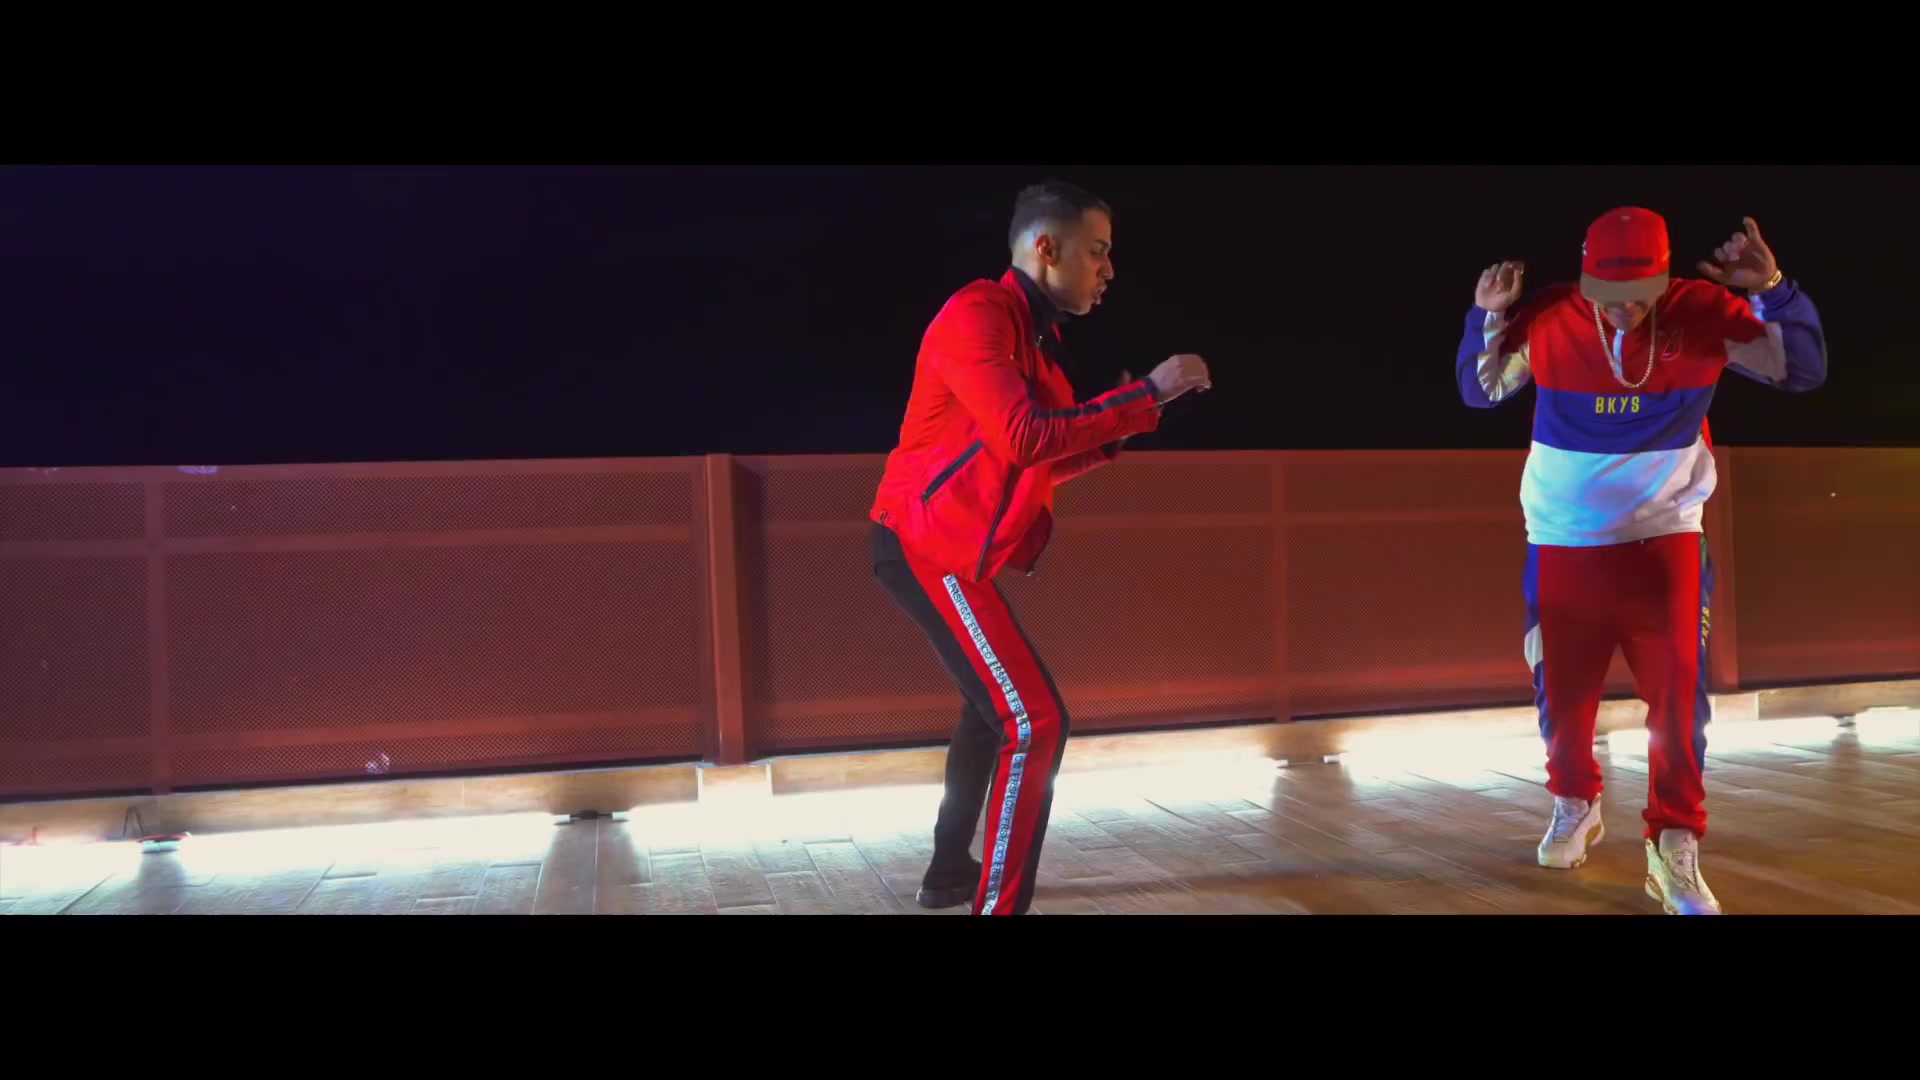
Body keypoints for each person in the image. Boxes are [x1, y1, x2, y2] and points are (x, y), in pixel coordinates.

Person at [1457, 208, 1826, 915]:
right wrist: (1488, 316)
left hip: (1666, 535)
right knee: (1563, 699)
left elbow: (1801, 372)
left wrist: (1772, 289)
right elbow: (1483, 390)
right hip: (1563, 538)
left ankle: (1674, 842)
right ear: (1586, 277)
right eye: (1608, 294)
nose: (1623, 310)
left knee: (1679, 700)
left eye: (1638, 294)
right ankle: (1575, 801)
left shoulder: (1703, 312)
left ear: (1664, 277)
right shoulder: (1552, 316)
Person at [869, 180, 1211, 915]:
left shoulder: (1036, 340)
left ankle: (948, 872)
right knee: (1034, 720)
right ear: (1045, 247)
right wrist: (1144, 397)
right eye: (1097, 251)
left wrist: (1120, 429)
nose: (1108, 270)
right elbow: (1026, 437)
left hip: (952, 546)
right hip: (927, 544)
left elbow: (1038, 458)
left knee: (986, 712)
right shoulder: (978, 315)